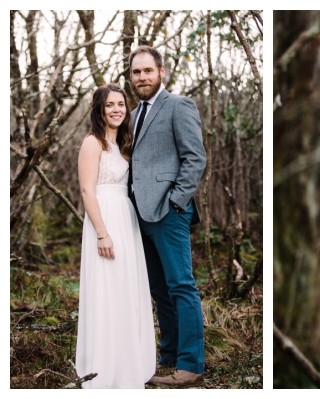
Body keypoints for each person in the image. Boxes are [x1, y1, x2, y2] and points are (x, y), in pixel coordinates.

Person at [127, 45, 207, 388]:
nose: (141, 77)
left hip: (169, 211)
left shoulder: (178, 106)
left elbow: (195, 158)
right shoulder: (131, 115)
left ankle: (191, 364)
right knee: (159, 290)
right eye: (136, 72)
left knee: (181, 286)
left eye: (147, 70)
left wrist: (177, 201)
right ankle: (169, 357)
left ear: (162, 72)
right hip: (138, 214)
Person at [75, 83, 156, 388]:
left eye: (121, 104)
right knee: (106, 289)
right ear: (100, 109)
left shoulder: (123, 144)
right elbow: (87, 190)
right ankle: (103, 366)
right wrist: (102, 234)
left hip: (126, 218)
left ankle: (129, 362)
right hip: (104, 218)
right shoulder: (92, 143)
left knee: (127, 288)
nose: (117, 109)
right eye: (110, 105)